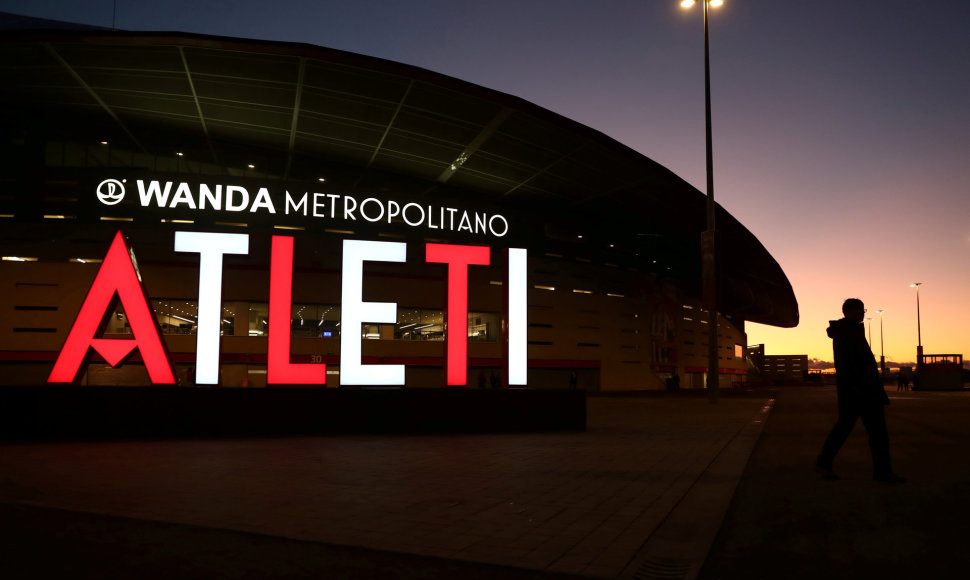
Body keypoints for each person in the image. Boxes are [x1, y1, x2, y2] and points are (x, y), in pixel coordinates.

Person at [816, 298, 905, 483]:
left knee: (861, 430)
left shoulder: (852, 330)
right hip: (860, 391)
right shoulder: (845, 332)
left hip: (862, 390)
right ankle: (882, 472)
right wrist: (857, 388)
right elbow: (846, 363)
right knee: (873, 432)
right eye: (861, 310)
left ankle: (825, 464)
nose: (864, 313)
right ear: (850, 311)